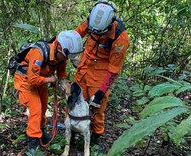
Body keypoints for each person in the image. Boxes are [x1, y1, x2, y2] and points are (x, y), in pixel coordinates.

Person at [13, 30, 83, 150]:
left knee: (43, 107)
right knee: (36, 108)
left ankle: (41, 130)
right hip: (26, 82)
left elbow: (61, 75)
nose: (65, 59)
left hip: (41, 81)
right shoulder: (38, 53)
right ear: (59, 47)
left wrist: (65, 86)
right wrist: (50, 80)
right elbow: (32, 80)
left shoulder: (61, 57)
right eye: (66, 56)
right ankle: (33, 141)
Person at [73, 0, 130, 147]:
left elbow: (113, 70)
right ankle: (72, 134)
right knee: (74, 101)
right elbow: (75, 34)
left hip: (101, 75)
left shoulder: (120, 39)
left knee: (97, 109)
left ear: (110, 24)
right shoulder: (92, 21)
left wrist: (100, 92)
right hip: (84, 68)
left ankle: (95, 139)